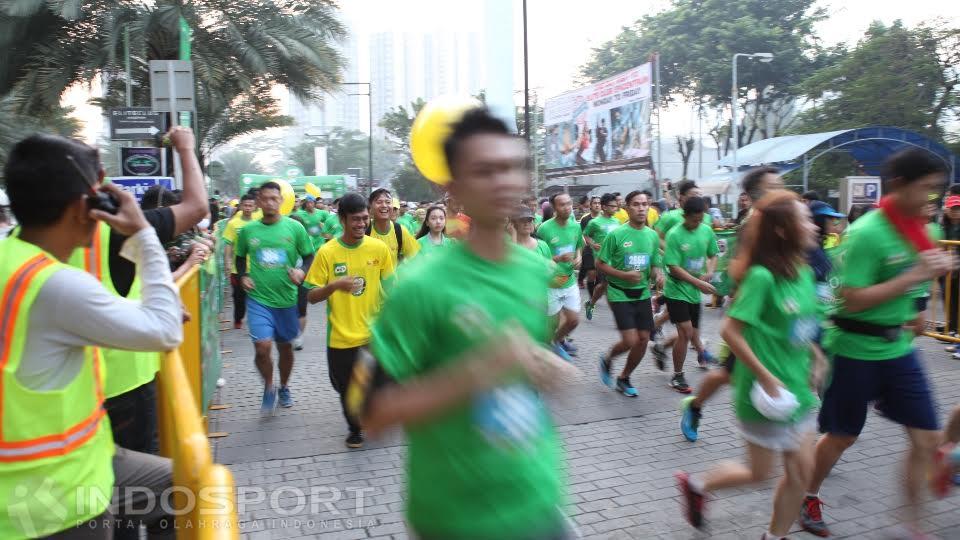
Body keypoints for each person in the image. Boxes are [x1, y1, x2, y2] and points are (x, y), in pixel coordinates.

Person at [358, 107, 578, 540]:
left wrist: (544, 365)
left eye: (512, 168)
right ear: (454, 189)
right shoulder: (419, 285)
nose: (503, 182)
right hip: (456, 517)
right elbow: (374, 415)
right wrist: (478, 371)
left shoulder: (532, 269)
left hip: (539, 493)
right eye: (485, 171)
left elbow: (520, 369)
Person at [1, 134, 184, 538]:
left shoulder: (13, 261)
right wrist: (143, 236)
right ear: (84, 206)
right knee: (192, 487)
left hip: (75, 461)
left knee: (184, 482)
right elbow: (165, 330)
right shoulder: (55, 285)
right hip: (59, 495)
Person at [800, 148, 956, 538]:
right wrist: (916, 274)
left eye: (936, 190)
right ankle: (807, 494)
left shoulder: (928, 230)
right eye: (926, 189)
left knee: (925, 439)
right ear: (900, 185)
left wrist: (919, 305)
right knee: (841, 436)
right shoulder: (866, 233)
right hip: (854, 348)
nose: (931, 199)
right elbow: (851, 299)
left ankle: (911, 525)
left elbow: (918, 283)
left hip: (899, 349)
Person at [677, 191, 826, 540]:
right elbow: (731, 329)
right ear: (783, 230)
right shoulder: (762, 277)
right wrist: (766, 376)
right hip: (764, 397)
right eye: (803, 219)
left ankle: (774, 536)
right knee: (759, 473)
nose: (813, 225)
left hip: (799, 392)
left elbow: (801, 326)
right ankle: (697, 485)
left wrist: (817, 358)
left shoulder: (804, 272)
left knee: (801, 474)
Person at [679, 166, 784, 440]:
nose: (781, 192)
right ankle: (695, 405)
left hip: (780, 311)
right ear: (754, 195)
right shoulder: (754, 224)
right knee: (729, 372)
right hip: (752, 312)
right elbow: (739, 268)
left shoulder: (783, 219)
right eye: (774, 188)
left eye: (781, 186)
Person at [305, 193, 394, 448]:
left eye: (365, 218)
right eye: (355, 219)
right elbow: (311, 296)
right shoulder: (327, 252)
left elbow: (391, 289)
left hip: (373, 335)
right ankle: (354, 428)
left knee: (373, 386)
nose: (361, 224)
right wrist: (333, 286)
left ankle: (363, 419)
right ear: (342, 219)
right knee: (345, 390)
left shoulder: (378, 249)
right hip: (340, 338)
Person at [235, 182, 315, 413]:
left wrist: (302, 271)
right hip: (259, 299)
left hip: (287, 299)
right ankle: (269, 386)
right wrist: (243, 275)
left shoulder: (294, 228)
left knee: (285, 348)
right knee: (262, 347)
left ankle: (285, 386)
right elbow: (240, 258)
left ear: (281, 201)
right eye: (265, 198)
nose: (270, 202)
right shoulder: (248, 231)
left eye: (274, 198)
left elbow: (309, 256)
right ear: (259, 201)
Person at [596, 190, 663, 397]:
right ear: (626, 207)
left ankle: (624, 378)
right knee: (630, 340)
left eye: (645, 204)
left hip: (642, 293)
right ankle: (607, 358)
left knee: (643, 339)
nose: (641, 208)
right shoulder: (616, 235)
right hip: (619, 292)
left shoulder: (652, 235)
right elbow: (600, 264)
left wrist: (658, 275)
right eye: (636, 204)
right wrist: (623, 276)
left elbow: (654, 265)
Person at [663, 197, 719, 393]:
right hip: (676, 289)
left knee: (694, 333)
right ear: (684, 216)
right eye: (694, 219)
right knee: (685, 333)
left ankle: (663, 348)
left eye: (701, 219)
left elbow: (713, 254)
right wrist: (698, 283)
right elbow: (673, 267)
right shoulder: (674, 235)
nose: (698, 223)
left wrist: (710, 271)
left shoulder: (706, 230)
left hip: (695, 291)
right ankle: (677, 376)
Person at [538, 192, 584, 360]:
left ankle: (556, 342)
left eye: (569, 203)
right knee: (553, 323)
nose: (567, 207)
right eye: (562, 204)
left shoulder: (575, 226)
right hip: (550, 283)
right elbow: (537, 256)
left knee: (573, 320)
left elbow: (578, 245)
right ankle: (550, 345)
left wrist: (578, 257)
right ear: (554, 208)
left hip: (569, 279)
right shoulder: (544, 229)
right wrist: (558, 258)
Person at [582, 193, 620, 321]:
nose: (615, 208)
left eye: (616, 206)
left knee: (603, 285)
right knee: (609, 286)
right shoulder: (595, 222)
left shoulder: (617, 221)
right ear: (604, 207)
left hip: (615, 260)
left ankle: (590, 303)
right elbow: (585, 235)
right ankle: (618, 316)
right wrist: (593, 244)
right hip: (602, 259)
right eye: (612, 206)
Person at [223, 194, 258, 329]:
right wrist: (227, 262)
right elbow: (228, 244)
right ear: (241, 206)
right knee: (239, 298)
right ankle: (238, 318)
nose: (248, 208)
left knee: (255, 297)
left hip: (256, 267)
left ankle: (255, 320)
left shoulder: (259, 222)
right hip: (237, 268)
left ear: (255, 207)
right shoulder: (233, 224)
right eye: (246, 205)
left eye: (251, 205)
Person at [367, 188, 421, 265]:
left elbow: (417, 259)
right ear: (370, 207)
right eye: (379, 202)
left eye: (388, 202)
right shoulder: (363, 230)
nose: (384, 205)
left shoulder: (400, 231)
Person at [578, 196, 601, 291]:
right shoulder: (585, 219)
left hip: (602, 250)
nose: (597, 205)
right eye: (595, 203)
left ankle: (596, 291)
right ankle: (591, 298)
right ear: (590, 206)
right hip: (589, 248)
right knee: (590, 272)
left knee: (600, 275)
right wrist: (591, 244)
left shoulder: (605, 218)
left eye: (599, 203)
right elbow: (583, 235)